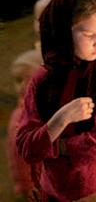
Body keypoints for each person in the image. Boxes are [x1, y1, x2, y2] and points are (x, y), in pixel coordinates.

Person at [16, 0, 96, 201]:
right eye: (88, 34)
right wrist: (60, 120)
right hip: (54, 191)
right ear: (64, 32)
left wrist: (54, 146)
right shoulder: (43, 78)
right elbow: (26, 148)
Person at [7, 49, 44, 201]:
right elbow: (16, 154)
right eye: (17, 80)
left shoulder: (42, 111)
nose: (21, 86)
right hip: (30, 185)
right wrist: (23, 184)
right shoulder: (20, 114)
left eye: (26, 79)